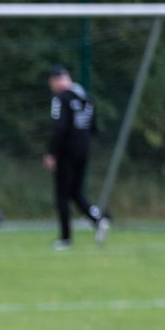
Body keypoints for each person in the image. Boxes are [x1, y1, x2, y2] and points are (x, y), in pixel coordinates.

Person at [44, 65, 111, 249]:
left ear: (57, 80)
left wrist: (52, 153)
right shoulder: (85, 97)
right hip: (83, 151)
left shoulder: (61, 99)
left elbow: (60, 128)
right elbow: (93, 126)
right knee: (75, 192)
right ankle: (98, 220)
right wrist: (86, 145)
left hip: (66, 152)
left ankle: (65, 238)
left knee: (62, 195)